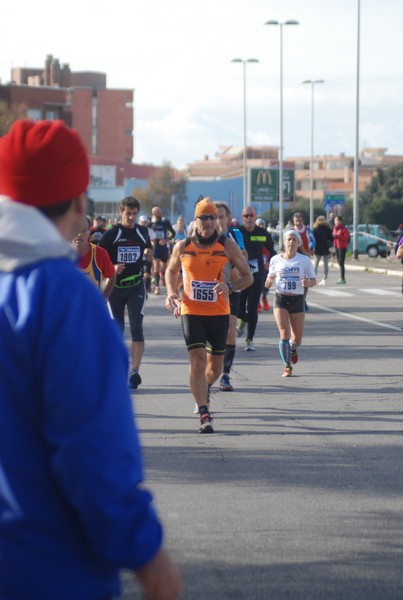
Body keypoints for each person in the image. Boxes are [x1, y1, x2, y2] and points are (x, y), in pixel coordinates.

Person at [0, 119, 182, 600]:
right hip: (45, 566)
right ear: (79, 203)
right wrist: (147, 555)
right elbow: (91, 449)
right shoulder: (60, 298)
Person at [164, 197, 252, 433]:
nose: (210, 222)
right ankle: (204, 412)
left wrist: (230, 287)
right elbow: (171, 271)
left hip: (219, 312)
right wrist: (171, 292)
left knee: (213, 368)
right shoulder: (182, 246)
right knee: (196, 359)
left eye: (213, 217)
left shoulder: (226, 245)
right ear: (196, 220)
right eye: (205, 217)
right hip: (191, 310)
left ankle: (203, 388)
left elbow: (248, 276)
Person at [99, 196, 152, 390]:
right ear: (121, 212)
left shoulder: (142, 231)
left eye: (134, 214)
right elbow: (99, 255)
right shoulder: (113, 233)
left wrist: (148, 254)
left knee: (137, 327)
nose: (131, 217)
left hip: (136, 285)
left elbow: (149, 249)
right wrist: (111, 267)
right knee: (117, 330)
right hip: (115, 287)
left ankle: (134, 371)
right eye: (127, 213)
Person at [265, 229, 317, 378]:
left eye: (294, 240)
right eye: (289, 239)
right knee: (284, 333)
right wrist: (268, 282)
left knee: (297, 339)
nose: (291, 242)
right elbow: (269, 278)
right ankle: (287, 366)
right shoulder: (276, 259)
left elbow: (313, 280)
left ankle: (292, 348)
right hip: (280, 298)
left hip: (297, 300)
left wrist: (308, 282)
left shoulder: (304, 260)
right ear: (284, 242)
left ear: (298, 243)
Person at [214, 201, 248, 392]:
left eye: (221, 216)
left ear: (228, 218)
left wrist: (236, 267)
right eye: (215, 216)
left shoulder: (235, 234)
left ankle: (225, 375)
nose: (218, 219)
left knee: (230, 329)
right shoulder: (205, 235)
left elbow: (242, 255)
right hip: (209, 291)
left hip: (231, 288)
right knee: (213, 334)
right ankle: (211, 369)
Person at [237, 206, 276, 351]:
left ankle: (249, 339)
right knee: (239, 308)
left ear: (255, 216)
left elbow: (273, 251)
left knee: (252, 308)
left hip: (256, 275)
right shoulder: (237, 232)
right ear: (242, 217)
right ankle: (242, 320)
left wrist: (269, 266)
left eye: (251, 215)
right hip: (240, 275)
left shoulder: (262, 233)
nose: (248, 218)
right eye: (246, 215)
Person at [72, 215, 116, 300]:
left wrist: (105, 298)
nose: (79, 234)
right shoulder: (61, 256)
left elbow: (112, 275)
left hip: (92, 308)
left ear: (89, 232)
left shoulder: (100, 253)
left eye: (84, 230)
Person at [149, 205, 175, 295]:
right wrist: (150, 241)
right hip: (155, 248)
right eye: (158, 212)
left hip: (163, 248)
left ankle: (162, 276)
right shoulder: (151, 223)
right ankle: (157, 287)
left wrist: (166, 239)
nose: (160, 213)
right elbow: (146, 234)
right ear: (154, 213)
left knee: (163, 267)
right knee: (156, 267)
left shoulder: (165, 222)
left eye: (160, 211)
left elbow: (173, 233)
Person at [292, 212, 315, 310]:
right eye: (296, 221)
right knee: (295, 279)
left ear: (302, 221)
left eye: (299, 221)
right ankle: (295, 299)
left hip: (304, 258)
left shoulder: (307, 230)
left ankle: (303, 299)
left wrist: (310, 247)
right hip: (294, 258)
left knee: (305, 280)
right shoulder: (291, 231)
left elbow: (313, 241)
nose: (298, 223)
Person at [312, 215, 334, 285]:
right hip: (326, 248)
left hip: (317, 248)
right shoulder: (328, 228)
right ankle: (324, 278)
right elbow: (331, 238)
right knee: (326, 264)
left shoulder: (315, 229)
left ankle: (314, 277)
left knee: (316, 264)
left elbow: (313, 239)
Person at [255, 217, 271, 312]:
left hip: (266, 264)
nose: (261, 226)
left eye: (262, 224)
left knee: (265, 284)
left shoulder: (267, 236)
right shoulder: (253, 235)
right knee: (256, 284)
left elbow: (272, 249)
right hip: (256, 264)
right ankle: (256, 302)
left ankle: (264, 297)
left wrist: (270, 261)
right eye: (259, 224)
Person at [332, 215, 350, 284]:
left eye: (337, 220)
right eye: (335, 220)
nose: (335, 221)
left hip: (342, 247)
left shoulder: (343, 229)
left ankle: (342, 278)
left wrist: (338, 236)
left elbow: (346, 238)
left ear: (340, 221)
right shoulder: (334, 228)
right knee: (339, 262)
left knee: (341, 262)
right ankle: (341, 277)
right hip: (336, 246)